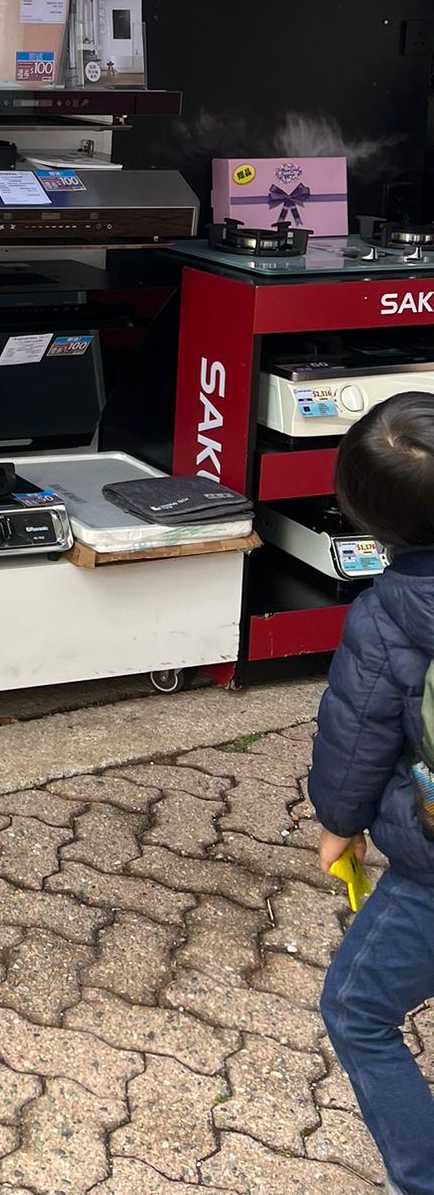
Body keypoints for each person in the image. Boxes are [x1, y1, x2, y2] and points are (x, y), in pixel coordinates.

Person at [312, 390, 434, 1195]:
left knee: (356, 1010)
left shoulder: (390, 612)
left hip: (430, 868)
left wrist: (339, 823)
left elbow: (357, 738)